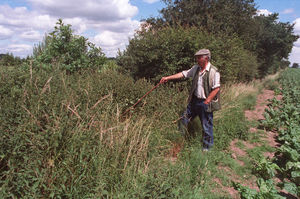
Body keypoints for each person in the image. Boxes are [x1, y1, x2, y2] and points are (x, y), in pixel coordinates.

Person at [160, 49, 220, 151]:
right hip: (194, 101)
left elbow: (216, 88)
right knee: (183, 119)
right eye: (196, 57)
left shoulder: (214, 71)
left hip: (206, 103)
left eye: (199, 57)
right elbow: (184, 74)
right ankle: (179, 141)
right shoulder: (196, 68)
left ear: (206, 58)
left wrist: (207, 101)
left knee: (206, 127)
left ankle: (207, 149)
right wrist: (168, 78)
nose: (197, 59)